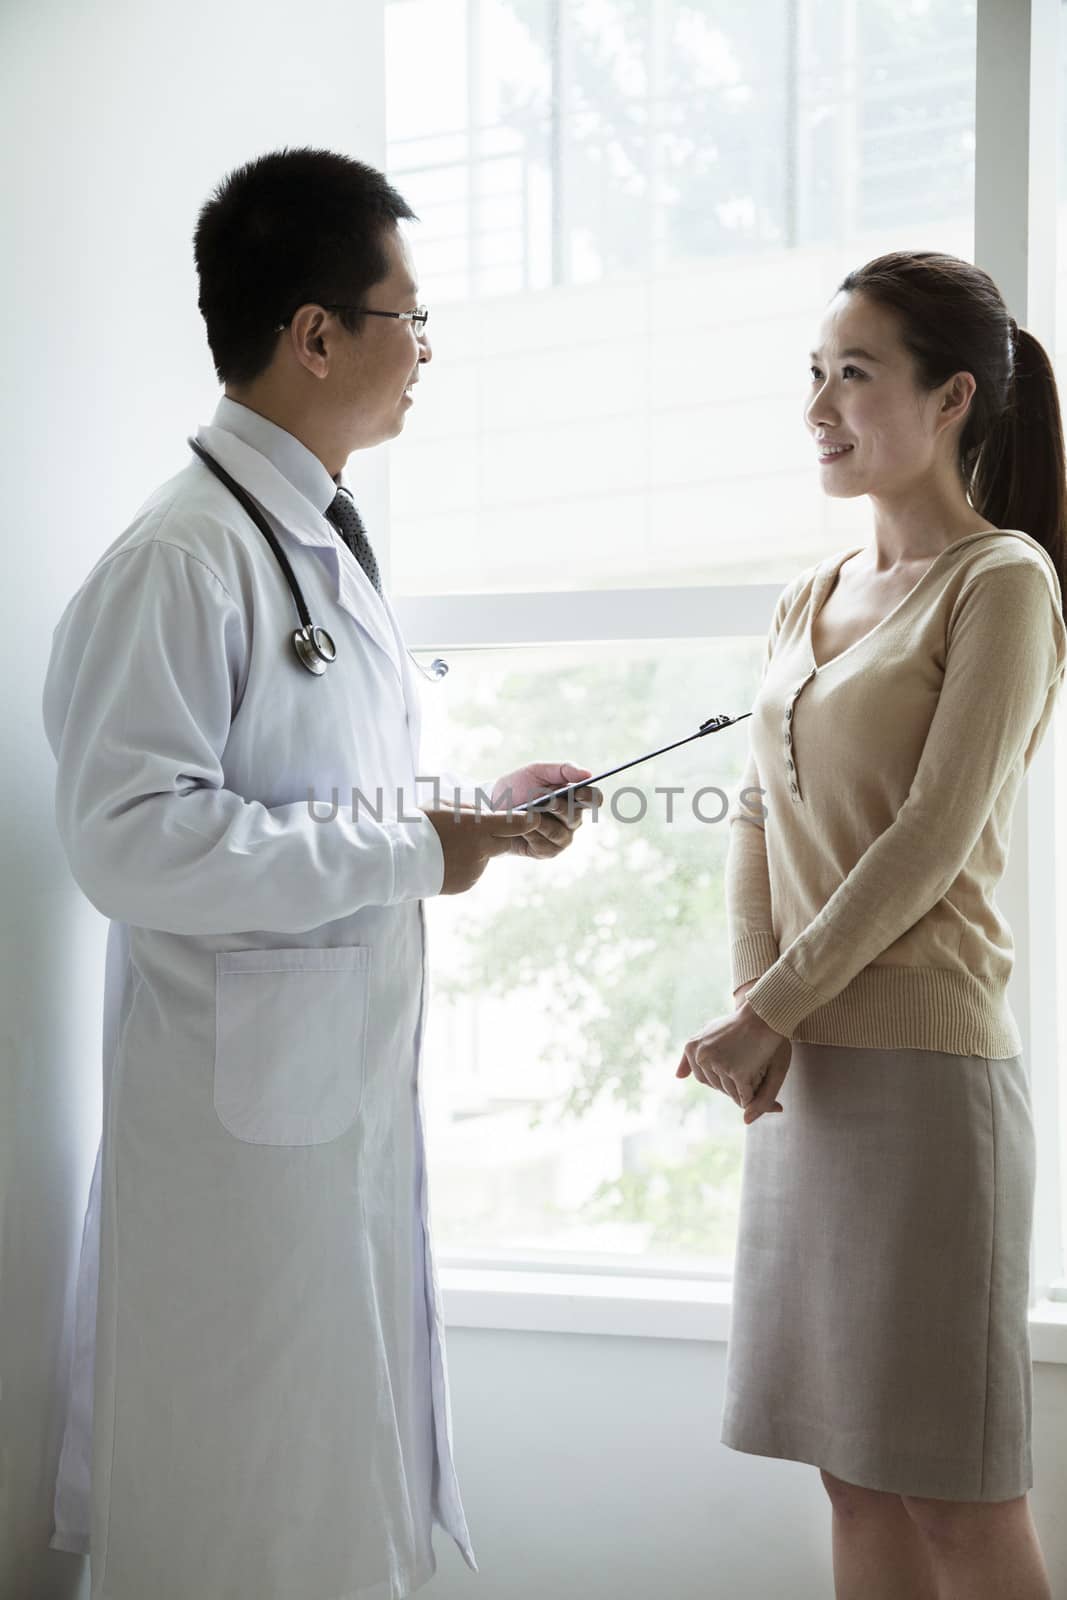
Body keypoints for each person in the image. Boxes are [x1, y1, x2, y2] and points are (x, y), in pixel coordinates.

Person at [42, 146, 599, 1600]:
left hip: (319, 1118)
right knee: (246, 1521)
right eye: (409, 316)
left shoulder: (312, 543)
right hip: (238, 1165)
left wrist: (467, 814)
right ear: (315, 335)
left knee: (329, 1508)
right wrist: (420, 848)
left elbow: (301, 806)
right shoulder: (181, 560)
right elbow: (130, 840)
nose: (425, 351)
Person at [675, 251, 1065, 1600]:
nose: (820, 405)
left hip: (927, 1079)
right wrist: (759, 1025)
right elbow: (753, 819)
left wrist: (769, 1008)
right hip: (810, 1075)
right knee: (851, 1472)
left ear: (952, 397)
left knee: (955, 1490)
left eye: (855, 373)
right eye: (814, 372)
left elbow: (929, 840)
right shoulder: (812, 594)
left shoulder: (999, 582)